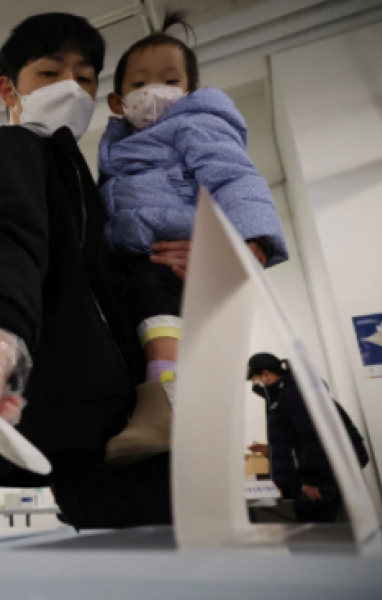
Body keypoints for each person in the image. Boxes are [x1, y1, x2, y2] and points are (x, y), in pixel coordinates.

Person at [0, 13, 190, 529]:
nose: (71, 85)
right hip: (91, 427)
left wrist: (179, 262)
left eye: (85, 76)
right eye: (50, 73)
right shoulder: (11, 147)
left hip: (121, 418)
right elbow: (0, 237)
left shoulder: (82, 184)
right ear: (10, 88)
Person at [99, 12, 288, 464]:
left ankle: (167, 399)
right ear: (116, 101)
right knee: (133, 307)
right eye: (140, 82)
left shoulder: (195, 122)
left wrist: (249, 243)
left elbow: (234, 178)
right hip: (136, 255)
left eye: (170, 79)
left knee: (151, 289)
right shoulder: (117, 148)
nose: (154, 89)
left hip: (175, 253)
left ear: (191, 91)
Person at [247, 352, 369, 523]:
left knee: (317, 540)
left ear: (266, 373)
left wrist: (312, 480)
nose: (258, 384)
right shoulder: (285, 395)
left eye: (257, 379)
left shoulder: (295, 393)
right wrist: (271, 450)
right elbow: (296, 438)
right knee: (310, 539)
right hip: (313, 478)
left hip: (319, 480)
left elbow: (315, 437)